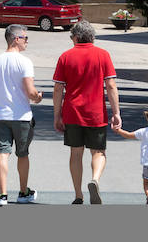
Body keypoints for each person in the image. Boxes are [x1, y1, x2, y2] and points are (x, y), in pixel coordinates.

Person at [53, 20, 122, 204]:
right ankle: (95, 179)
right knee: (98, 151)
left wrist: (57, 115)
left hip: (72, 112)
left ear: (75, 37)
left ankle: (78, 194)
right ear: (92, 36)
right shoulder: (103, 55)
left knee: (76, 153)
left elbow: (58, 88)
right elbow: (111, 85)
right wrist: (116, 113)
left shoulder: (65, 57)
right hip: (96, 113)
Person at [0, 24, 43, 206]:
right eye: (25, 38)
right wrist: (38, 97)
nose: (27, 41)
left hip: (1, 115)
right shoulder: (24, 62)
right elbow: (30, 91)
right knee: (22, 154)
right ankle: (23, 192)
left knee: (3, 152)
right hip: (21, 116)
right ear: (16, 39)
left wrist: (3, 99)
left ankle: (2, 195)